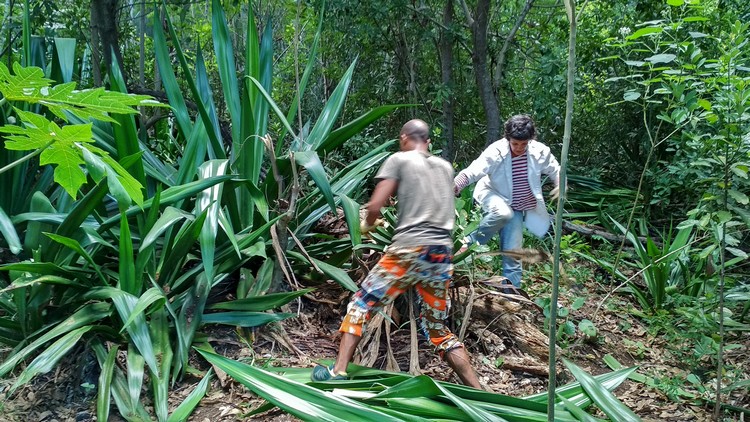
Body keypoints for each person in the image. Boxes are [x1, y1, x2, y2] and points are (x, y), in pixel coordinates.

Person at [311, 119, 482, 389]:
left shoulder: (400, 160)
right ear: (428, 141)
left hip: (408, 250)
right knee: (438, 330)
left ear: (404, 138)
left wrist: (368, 222)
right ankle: (479, 390)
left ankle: (338, 371)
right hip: (440, 254)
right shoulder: (445, 167)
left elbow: (377, 203)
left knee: (360, 305)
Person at [454, 114, 561, 289]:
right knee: (502, 212)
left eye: (523, 144)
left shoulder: (539, 152)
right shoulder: (496, 152)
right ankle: (465, 244)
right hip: (492, 194)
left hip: (516, 207)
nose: (519, 148)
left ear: (530, 140)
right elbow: (474, 170)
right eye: (515, 143)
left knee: (513, 254)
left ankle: (512, 295)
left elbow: (555, 169)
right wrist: (455, 185)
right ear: (508, 139)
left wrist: (559, 185)